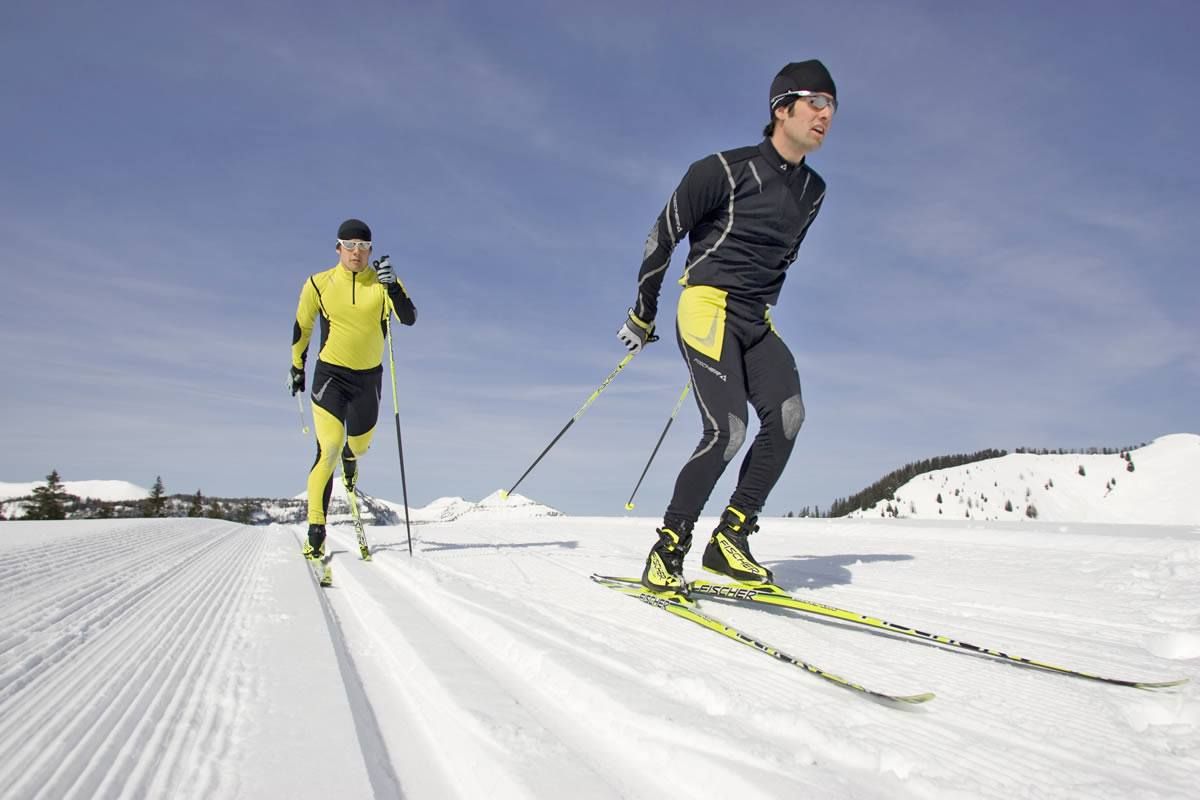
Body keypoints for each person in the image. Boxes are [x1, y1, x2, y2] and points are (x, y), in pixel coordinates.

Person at [617, 60, 837, 592]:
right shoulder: (720, 168)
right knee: (728, 431)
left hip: (755, 319)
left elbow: (786, 257)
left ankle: (730, 538)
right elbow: (661, 238)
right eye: (816, 102)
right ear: (781, 107)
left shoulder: (814, 191)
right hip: (707, 307)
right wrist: (643, 311)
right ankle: (668, 549)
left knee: (787, 416)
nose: (826, 115)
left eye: (833, 106)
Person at [289, 218, 416, 560]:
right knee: (327, 447)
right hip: (330, 376)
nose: (355, 253)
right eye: (349, 246)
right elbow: (302, 326)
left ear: (370, 250)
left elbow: (408, 317)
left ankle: (351, 457)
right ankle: (317, 530)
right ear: (338, 248)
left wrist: (394, 288)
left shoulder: (384, 281)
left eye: (362, 247)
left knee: (357, 447)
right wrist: (297, 366)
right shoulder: (319, 284)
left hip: (368, 380)